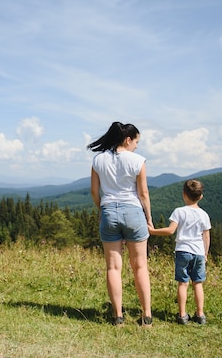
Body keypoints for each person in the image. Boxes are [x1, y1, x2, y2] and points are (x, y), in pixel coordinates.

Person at [87, 121, 153, 327]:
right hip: (133, 212)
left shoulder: (98, 160)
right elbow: (143, 194)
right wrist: (149, 218)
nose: (136, 146)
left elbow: (94, 192)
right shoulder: (138, 160)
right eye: (136, 142)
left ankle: (118, 316)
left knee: (113, 268)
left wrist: (102, 210)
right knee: (140, 266)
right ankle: (147, 316)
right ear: (128, 139)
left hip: (109, 212)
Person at [148, 179, 211, 325]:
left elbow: (170, 231)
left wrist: (152, 231)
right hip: (199, 252)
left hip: (183, 251)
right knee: (198, 284)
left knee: (183, 284)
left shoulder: (179, 212)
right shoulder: (204, 215)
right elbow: (206, 236)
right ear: (200, 196)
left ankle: (182, 315)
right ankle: (200, 314)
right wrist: (205, 254)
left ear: (184, 195)